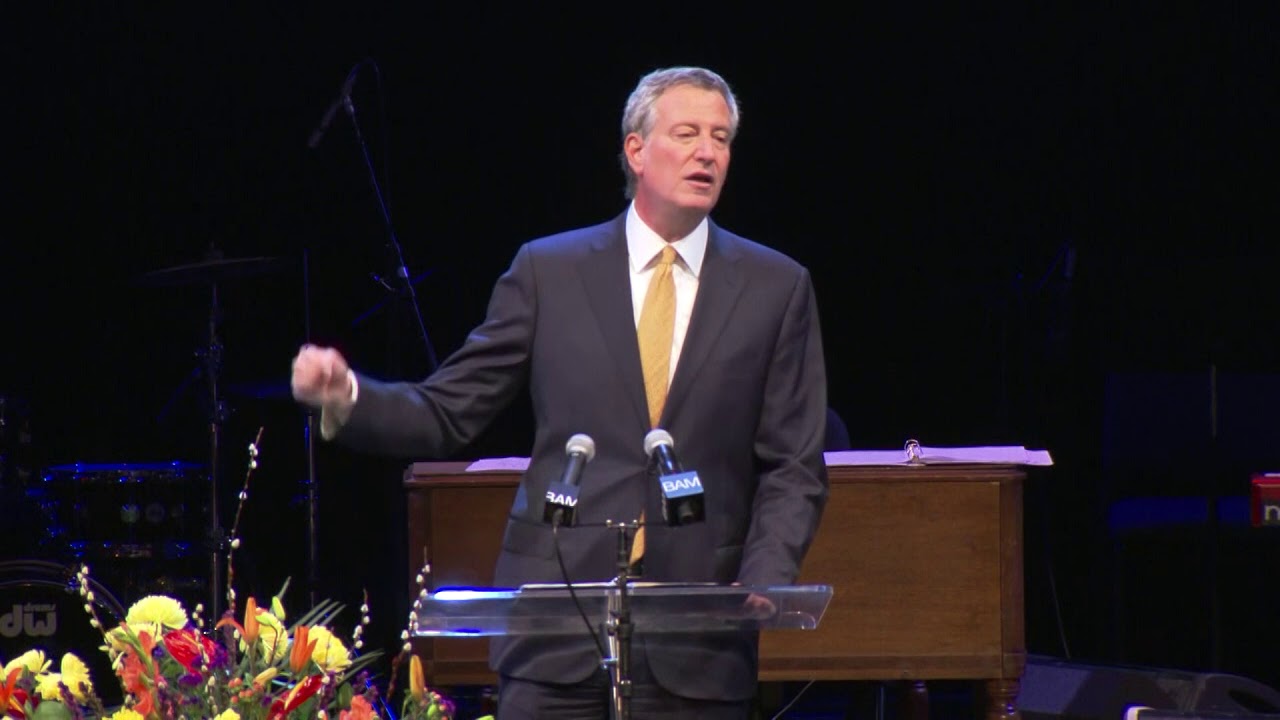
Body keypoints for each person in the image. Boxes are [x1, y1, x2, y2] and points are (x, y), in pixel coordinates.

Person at [291, 66, 829, 719]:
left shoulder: (775, 287)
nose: (708, 153)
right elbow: (450, 411)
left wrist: (765, 575)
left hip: (699, 639)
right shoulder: (549, 271)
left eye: (721, 138)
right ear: (636, 150)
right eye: (687, 133)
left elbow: (794, 463)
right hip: (554, 631)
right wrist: (348, 395)